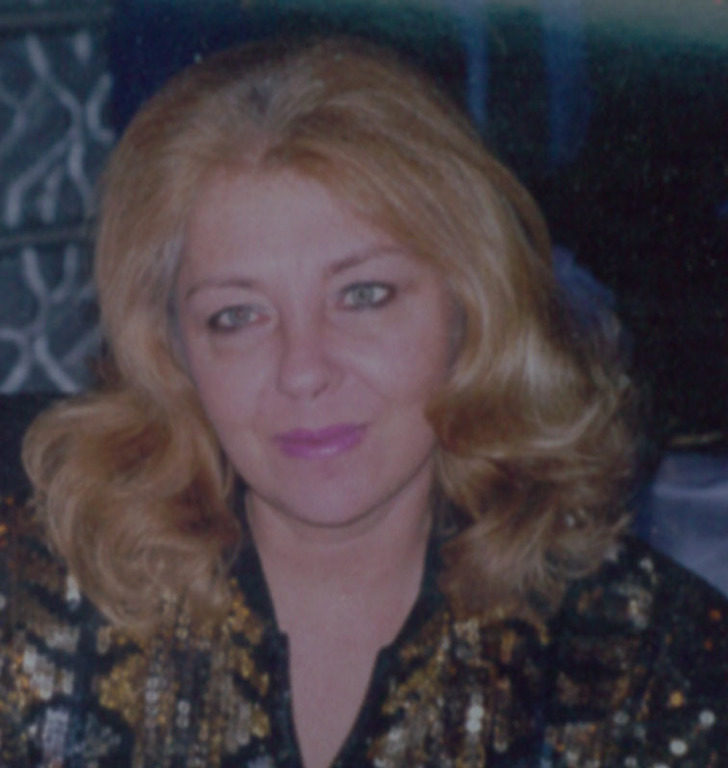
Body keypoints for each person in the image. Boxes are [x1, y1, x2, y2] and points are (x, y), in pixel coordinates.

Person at [1, 36, 726, 768]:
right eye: (237, 316)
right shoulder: (30, 582)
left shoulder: (647, 665)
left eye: (364, 295)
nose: (303, 371)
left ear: (471, 305)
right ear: (172, 351)